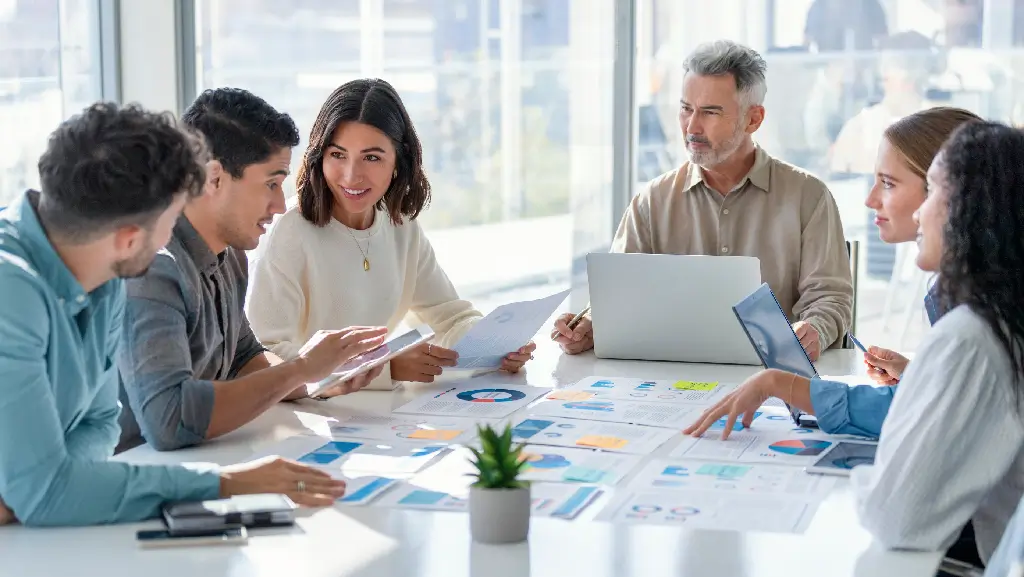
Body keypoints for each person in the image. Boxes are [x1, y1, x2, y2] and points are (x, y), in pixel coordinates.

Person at [691, 121, 1024, 565]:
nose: (922, 213)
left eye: (934, 194)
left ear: (973, 208)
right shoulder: (999, 319)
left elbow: (897, 515)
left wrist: (870, 476)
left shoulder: (972, 335)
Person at [0, 103, 348, 527]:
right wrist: (224, 483)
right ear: (130, 239)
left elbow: (100, 423)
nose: (174, 233)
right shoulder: (13, 292)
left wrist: (42, 486)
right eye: (171, 218)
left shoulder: (104, 269)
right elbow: (48, 492)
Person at [685, 106, 982, 439]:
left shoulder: (974, 316)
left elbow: (918, 413)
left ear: (949, 194)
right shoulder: (961, 290)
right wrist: (920, 375)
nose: (870, 200)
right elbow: (964, 399)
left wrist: (783, 385)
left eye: (887, 184)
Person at [117, 88, 388, 452]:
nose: (279, 205)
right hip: (136, 473)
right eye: (271, 183)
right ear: (214, 178)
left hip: (202, 460)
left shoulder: (230, 257)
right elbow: (169, 421)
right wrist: (302, 368)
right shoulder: (152, 269)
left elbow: (246, 359)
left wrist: (321, 380)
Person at [553, 40, 853, 361]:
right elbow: (617, 299)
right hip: (669, 381)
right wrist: (589, 325)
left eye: (710, 112)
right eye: (686, 108)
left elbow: (830, 299)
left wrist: (813, 329)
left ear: (753, 120)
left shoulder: (809, 197)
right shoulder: (651, 201)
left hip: (770, 376)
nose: (692, 127)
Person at [247, 78, 535, 387]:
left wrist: (497, 346)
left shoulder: (400, 225)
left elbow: (451, 318)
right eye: (338, 155)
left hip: (376, 414)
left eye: (371, 157)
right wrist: (385, 369)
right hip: (304, 416)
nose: (351, 175)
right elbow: (266, 356)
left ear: (399, 160)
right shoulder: (289, 232)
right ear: (320, 157)